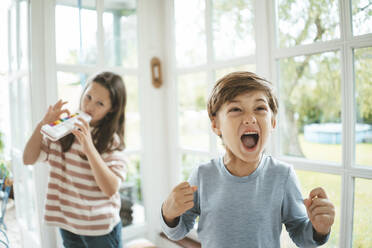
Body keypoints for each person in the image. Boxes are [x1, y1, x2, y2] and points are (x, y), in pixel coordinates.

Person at [161, 71, 335, 247]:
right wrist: (169, 213)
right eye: (236, 109)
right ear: (216, 124)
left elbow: (301, 235)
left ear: (273, 121)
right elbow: (178, 230)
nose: (250, 118)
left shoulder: (283, 175)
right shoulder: (203, 175)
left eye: (260, 108)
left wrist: (319, 230)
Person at [23, 71, 127, 248]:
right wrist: (42, 125)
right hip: (69, 225)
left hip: (100, 229)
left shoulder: (111, 140)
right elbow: (28, 159)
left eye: (99, 103)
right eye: (88, 97)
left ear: (112, 109)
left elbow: (111, 189)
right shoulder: (64, 130)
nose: (89, 106)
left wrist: (89, 148)